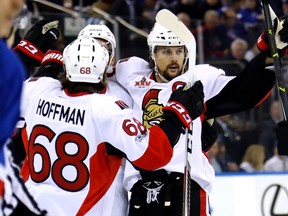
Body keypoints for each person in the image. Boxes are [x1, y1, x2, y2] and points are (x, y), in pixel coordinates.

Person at [114, 13, 288, 215]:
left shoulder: (198, 81)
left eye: (179, 51)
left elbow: (243, 91)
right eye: (166, 51)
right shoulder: (131, 74)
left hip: (186, 186)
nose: (174, 58)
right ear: (152, 54)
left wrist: (266, 54)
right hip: (140, 187)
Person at [15, 36, 205, 215]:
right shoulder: (106, 108)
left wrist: (39, 58)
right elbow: (153, 154)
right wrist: (176, 115)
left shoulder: (39, 90)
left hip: (28, 207)